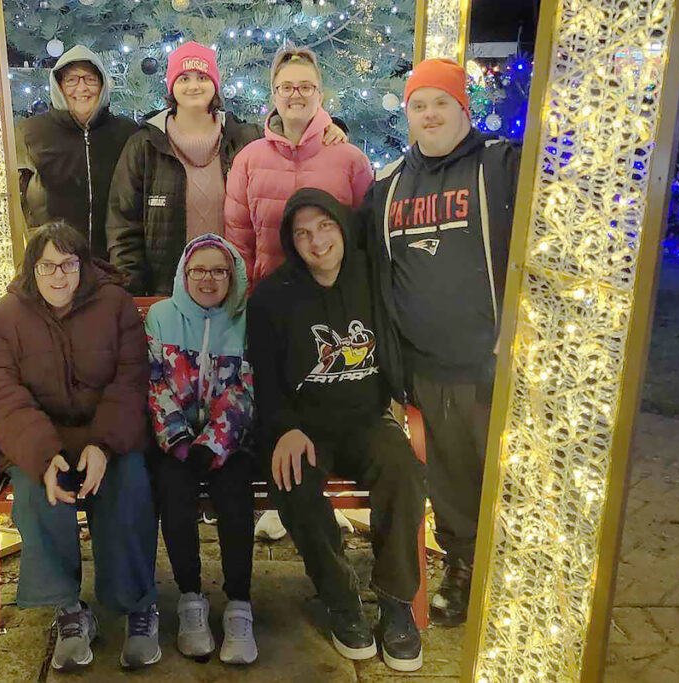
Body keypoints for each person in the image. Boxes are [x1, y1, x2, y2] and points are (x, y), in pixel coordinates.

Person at [358, 58, 521, 627]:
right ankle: (464, 564)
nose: (429, 115)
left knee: (502, 473)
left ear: (462, 108)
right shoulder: (390, 186)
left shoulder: (499, 166)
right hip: (424, 363)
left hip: (489, 361)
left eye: (440, 103)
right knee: (449, 476)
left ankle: (515, 572)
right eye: (418, 105)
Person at [246, 188, 426, 672]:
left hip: (366, 419)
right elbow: (263, 378)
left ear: (342, 227)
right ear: (291, 242)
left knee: (404, 472)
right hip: (303, 427)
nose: (316, 241)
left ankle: (395, 601)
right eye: (302, 233)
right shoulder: (272, 296)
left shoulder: (375, 276)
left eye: (324, 226)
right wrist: (283, 428)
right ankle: (341, 597)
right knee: (294, 482)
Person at [0, 222, 161, 670]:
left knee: (129, 483)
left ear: (84, 265)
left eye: (69, 264)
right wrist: (43, 456)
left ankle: (137, 602)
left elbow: (131, 380)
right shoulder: (5, 318)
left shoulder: (114, 305)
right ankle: (68, 610)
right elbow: (1, 393)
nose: (58, 276)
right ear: (31, 269)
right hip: (43, 438)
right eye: (47, 266)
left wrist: (103, 445)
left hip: (109, 435)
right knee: (38, 495)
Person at [107, 42, 346, 297]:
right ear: (171, 86)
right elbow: (123, 226)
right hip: (165, 295)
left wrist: (326, 128)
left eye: (202, 77)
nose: (193, 85)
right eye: (183, 78)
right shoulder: (144, 145)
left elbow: (293, 141)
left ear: (215, 84)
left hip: (233, 293)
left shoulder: (246, 139)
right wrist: (134, 292)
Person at [145, 233, 258, 664]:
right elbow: (155, 385)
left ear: (233, 277)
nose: (208, 280)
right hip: (174, 442)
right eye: (199, 270)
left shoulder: (246, 320)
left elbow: (245, 388)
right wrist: (178, 442)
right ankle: (191, 599)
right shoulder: (160, 317)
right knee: (173, 492)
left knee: (234, 494)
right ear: (184, 274)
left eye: (219, 271)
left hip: (230, 442)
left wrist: (213, 445)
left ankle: (239, 605)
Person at [225, 47, 373, 288]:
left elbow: (366, 235)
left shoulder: (352, 160)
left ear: (320, 96)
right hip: (270, 300)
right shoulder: (248, 161)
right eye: (286, 87)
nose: (296, 95)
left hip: (334, 298)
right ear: (274, 97)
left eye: (306, 87)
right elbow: (239, 241)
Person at [16, 45, 138, 257]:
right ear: (59, 85)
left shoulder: (127, 133)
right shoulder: (30, 133)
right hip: (54, 265)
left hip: (115, 264)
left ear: (102, 85)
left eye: (90, 79)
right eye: (72, 80)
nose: (81, 88)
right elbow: (16, 202)